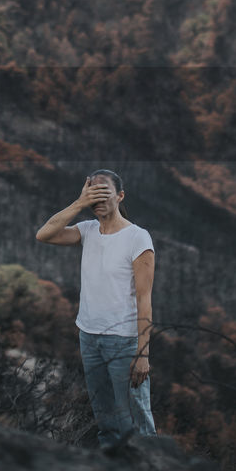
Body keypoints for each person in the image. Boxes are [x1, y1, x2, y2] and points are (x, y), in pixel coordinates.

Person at [35, 169, 156, 449]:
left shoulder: (138, 238)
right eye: (93, 194)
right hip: (89, 337)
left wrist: (143, 353)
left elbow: (144, 299)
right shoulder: (87, 230)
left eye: (105, 193)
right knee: (105, 420)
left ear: (120, 196)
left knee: (136, 421)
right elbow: (44, 234)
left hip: (123, 342)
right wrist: (79, 203)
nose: (99, 199)